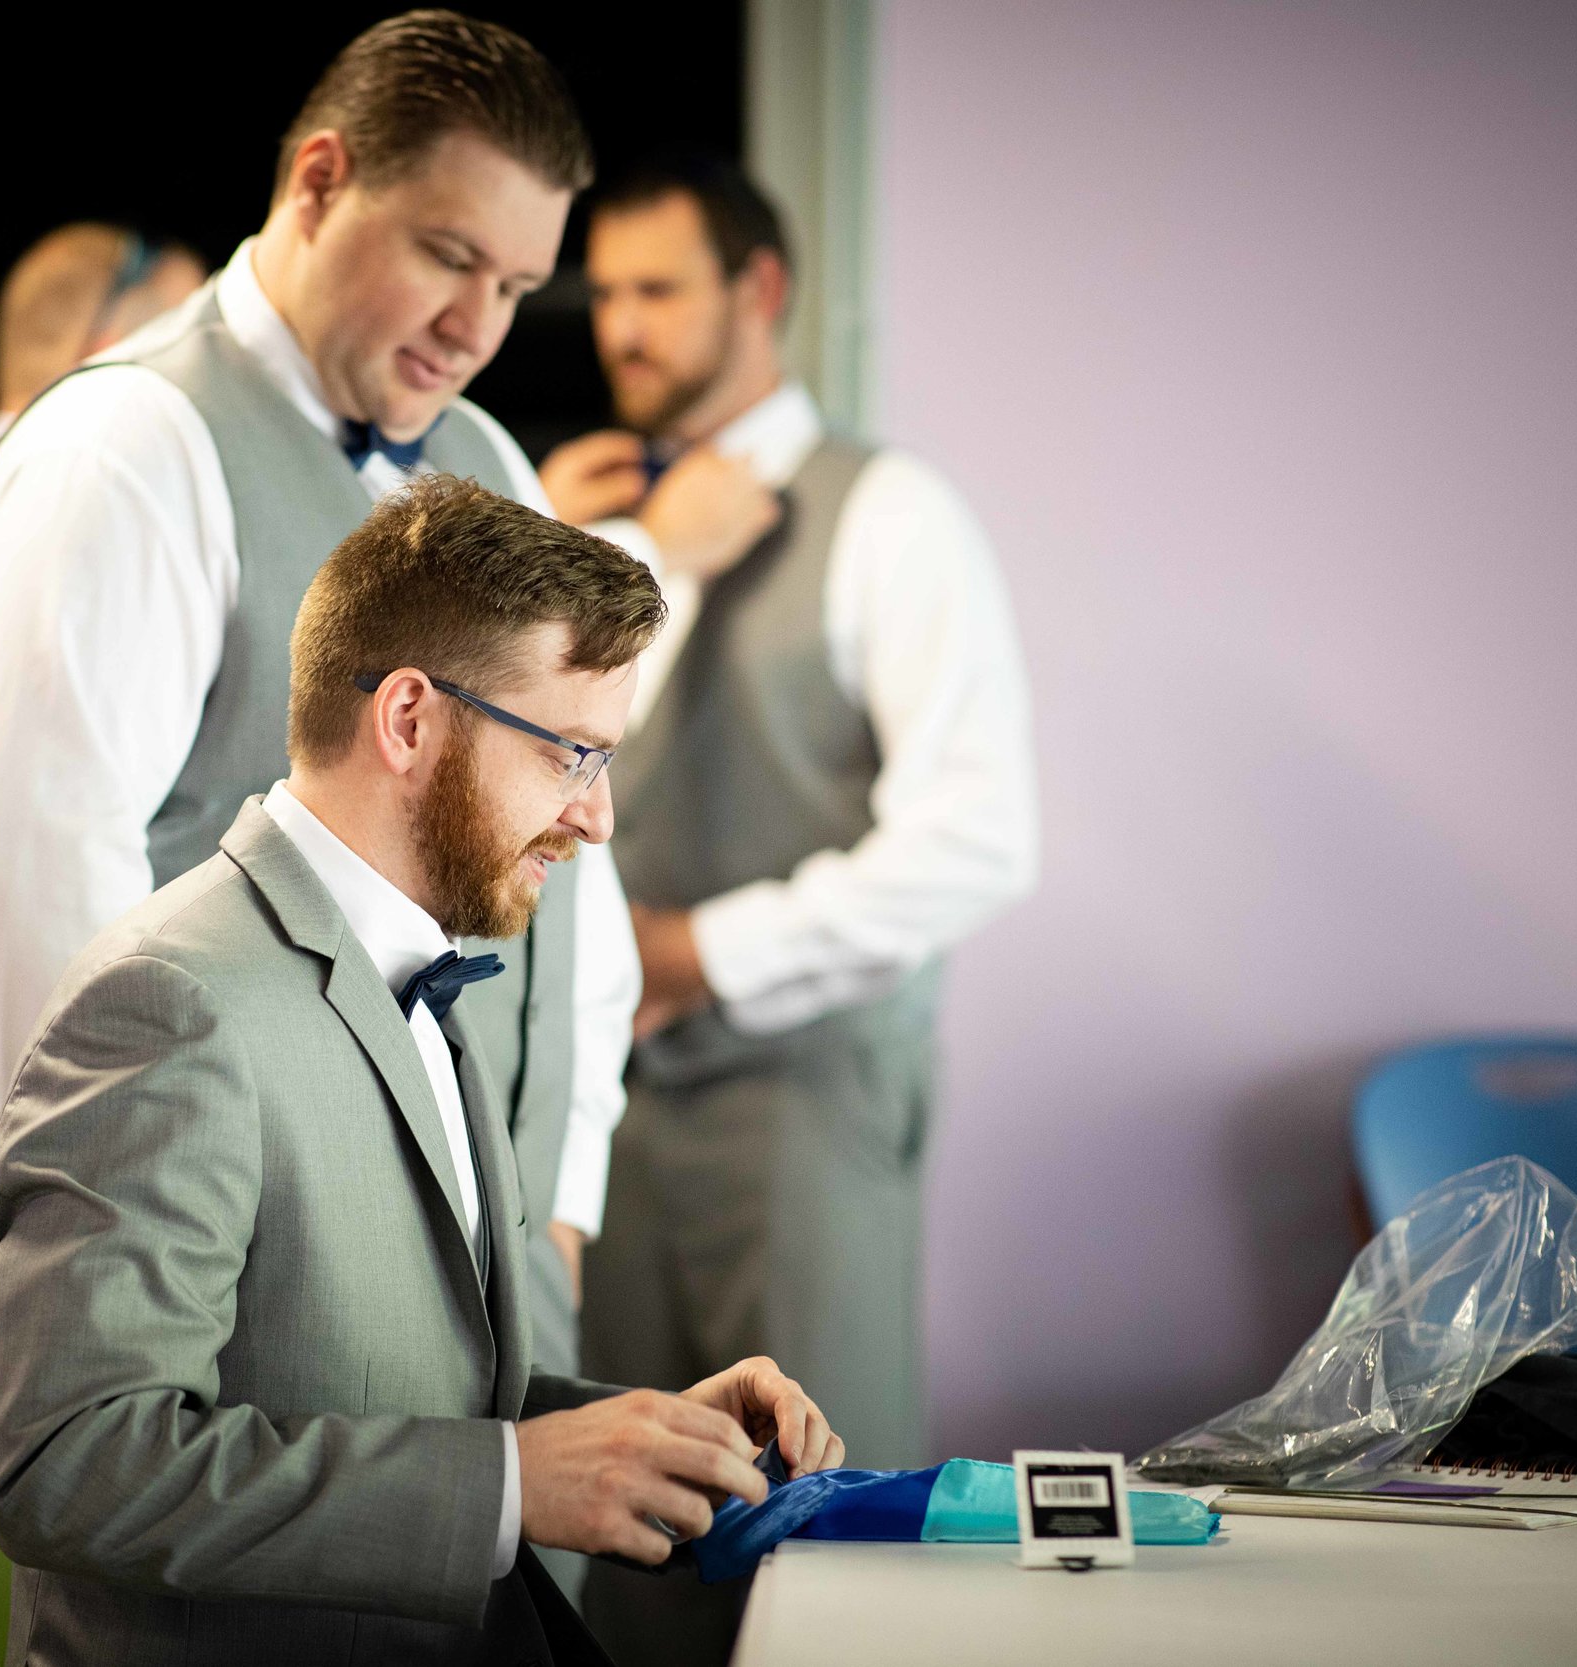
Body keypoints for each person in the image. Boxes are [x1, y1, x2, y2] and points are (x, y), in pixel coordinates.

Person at [0, 472, 845, 1665]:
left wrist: (630, 1433)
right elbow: (69, 1463)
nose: (594, 821)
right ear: (407, 720)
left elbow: (377, 1393)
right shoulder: (168, 1002)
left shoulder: (419, 960)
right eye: (573, 755)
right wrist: (504, 1485)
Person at [0, 11, 636, 1410]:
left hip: (497, 1251)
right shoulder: (125, 448)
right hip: (241, 1257)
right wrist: (137, 1239)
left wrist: (561, 1187)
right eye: (448, 255)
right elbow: (34, 894)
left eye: (517, 282)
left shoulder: (490, 458)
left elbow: (572, 854)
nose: (477, 326)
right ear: (318, 181)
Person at [538, 153, 1040, 1664]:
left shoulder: (891, 513)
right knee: (618, 1501)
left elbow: (979, 835)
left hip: (802, 1095)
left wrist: (704, 951)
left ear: (758, 291)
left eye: (658, 289)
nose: (621, 325)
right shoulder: (578, 512)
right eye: (606, 290)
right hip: (601, 1101)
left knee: (823, 1520)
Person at [0, 223, 203, 1387]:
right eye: (187, 327)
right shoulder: (36, 511)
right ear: (112, 343)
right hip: (32, 1103)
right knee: (42, 1495)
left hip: (18, 1083)